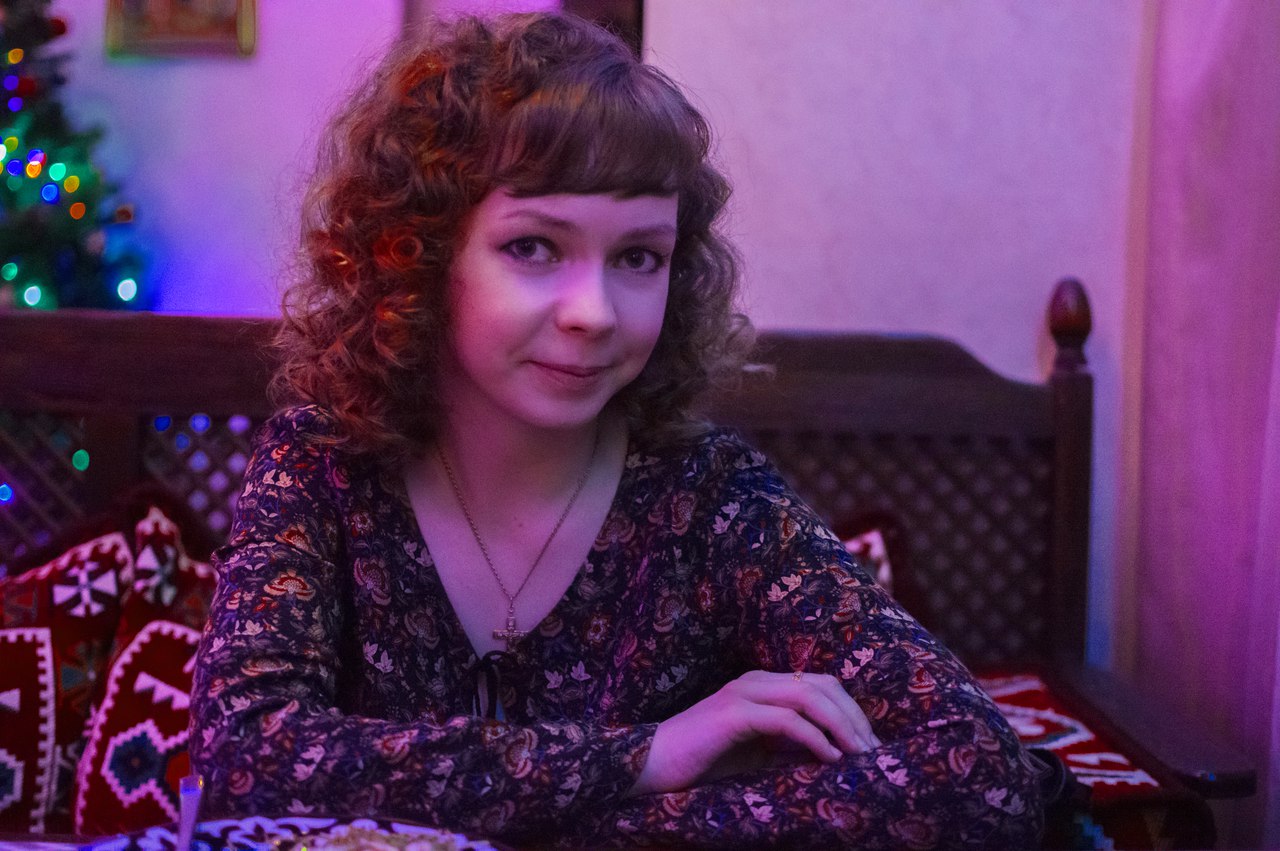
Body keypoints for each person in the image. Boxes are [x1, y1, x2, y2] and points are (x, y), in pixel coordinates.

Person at [190, 11, 1044, 849]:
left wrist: (561, 829)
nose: (594, 312)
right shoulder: (322, 464)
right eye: (534, 247)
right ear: (422, 253)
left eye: (638, 257)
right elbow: (245, 757)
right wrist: (651, 755)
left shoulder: (711, 498)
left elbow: (984, 775)